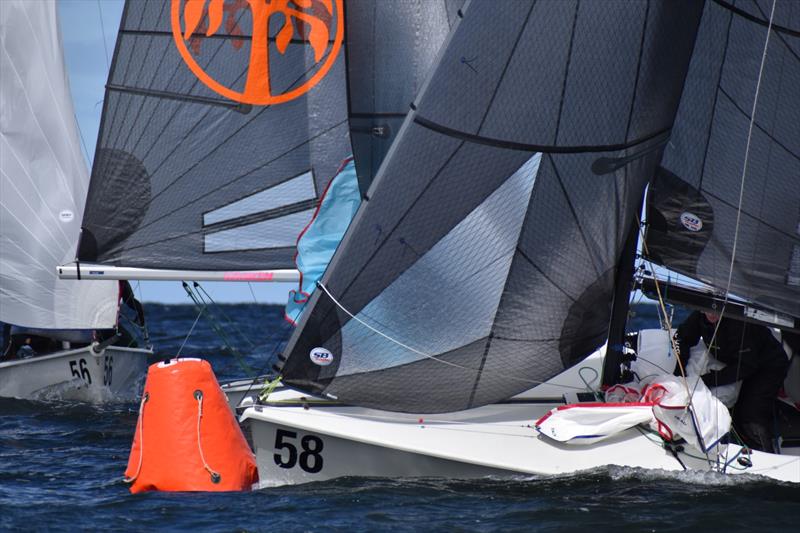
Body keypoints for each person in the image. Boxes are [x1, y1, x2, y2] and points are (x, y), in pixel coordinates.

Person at [674, 310, 790, 453]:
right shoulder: (700, 315)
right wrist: (679, 372)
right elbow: (680, 338)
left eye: (717, 309)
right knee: (733, 411)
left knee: (749, 413)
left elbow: (746, 366)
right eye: (707, 308)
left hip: (767, 366)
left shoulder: (739, 325)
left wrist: (707, 380)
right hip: (736, 361)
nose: (711, 313)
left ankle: (766, 453)